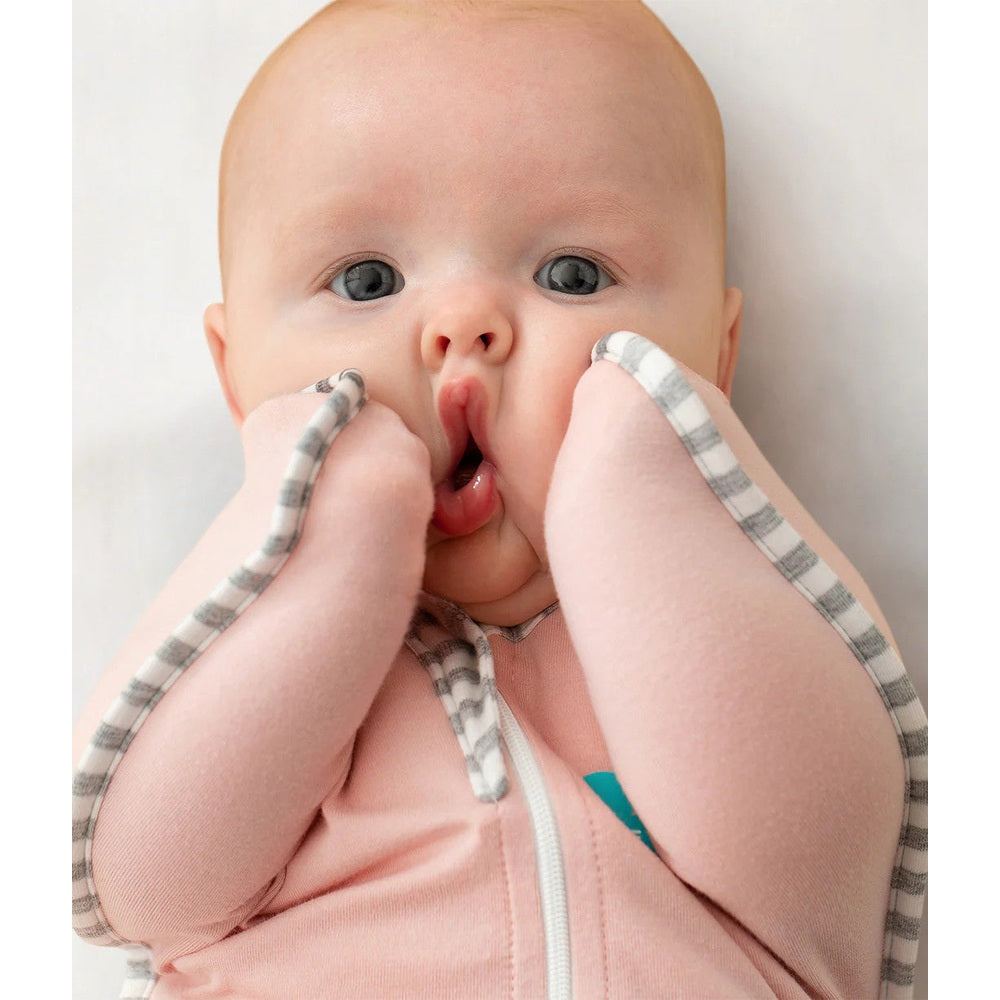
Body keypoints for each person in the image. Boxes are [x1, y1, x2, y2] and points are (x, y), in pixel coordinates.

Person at [72, 1, 927, 997]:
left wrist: (635, 490)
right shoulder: (242, 650)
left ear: (714, 357)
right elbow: (142, 885)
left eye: (572, 275)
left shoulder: (744, 625)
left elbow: (822, 865)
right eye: (365, 280)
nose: (462, 326)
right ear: (236, 377)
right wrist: (328, 545)